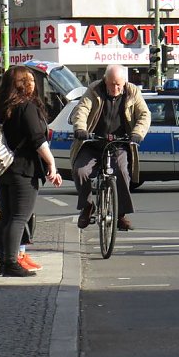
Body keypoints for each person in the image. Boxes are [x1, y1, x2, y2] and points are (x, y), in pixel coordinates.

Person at [0, 65, 63, 278]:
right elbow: (38, 140)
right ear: (22, 84)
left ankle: (4, 262)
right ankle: (12, 263)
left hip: (3, 168)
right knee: (19, 217)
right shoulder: (26, 107)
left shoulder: (0, 107)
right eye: (29, 81)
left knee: (7, 216)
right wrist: (51, 165)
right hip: (23, 168)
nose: (33, 84)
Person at [72, 65, 151, 232]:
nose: (115, 88)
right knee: (80, 171)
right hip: (93, 142)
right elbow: (82, 110)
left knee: (122, 171)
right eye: (112, 84)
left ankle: (120, 214)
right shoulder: (94, 90)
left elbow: (144, 114)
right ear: (105, 81)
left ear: (124, 82)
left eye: (119, 85)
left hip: (119, 143)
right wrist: (80, 129)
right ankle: (87, 207)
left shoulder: (132, 92)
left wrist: (137, 133)